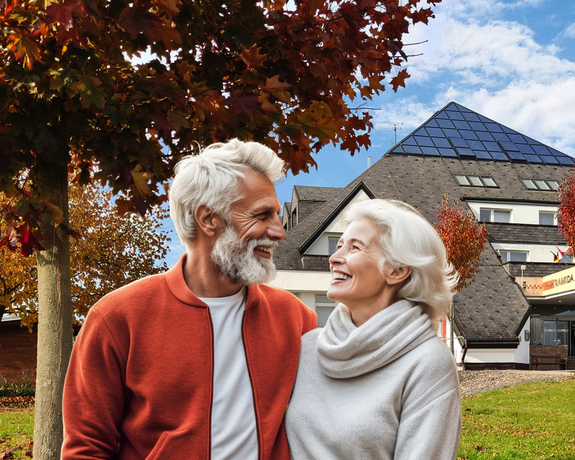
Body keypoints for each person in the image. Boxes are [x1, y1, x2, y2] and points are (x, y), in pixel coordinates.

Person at [62, 139, 318, 460]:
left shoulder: (297, 319)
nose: (279, 232)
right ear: (208, 219)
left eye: (277, 215)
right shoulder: (116, 318)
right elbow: (87, 448)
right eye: (262, 215)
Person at [285, 199, 462, 460]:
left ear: (397, 270)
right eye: (339, 246)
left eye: (355, 247)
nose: (334, 258)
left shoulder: (427, 362)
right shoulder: (309, 346)